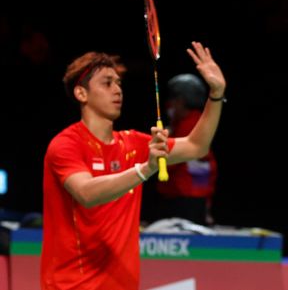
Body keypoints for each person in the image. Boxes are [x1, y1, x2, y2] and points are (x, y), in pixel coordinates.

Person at [41, 41, 226, 290]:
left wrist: (216, 94)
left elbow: (197, 146)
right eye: (107, 83)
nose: (117, 90)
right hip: (72, 285)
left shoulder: (133, 144)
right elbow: (87, 193)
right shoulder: (65, 145)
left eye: (118, 83)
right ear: (81, 93)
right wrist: (145, 169)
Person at [154, 73, 218, 225]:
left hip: (187, 201)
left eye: (173, 100)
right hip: (190, 197)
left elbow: (170, 161)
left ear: (181, 101)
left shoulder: (191, 125)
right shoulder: (188, 123)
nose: (169, 105)